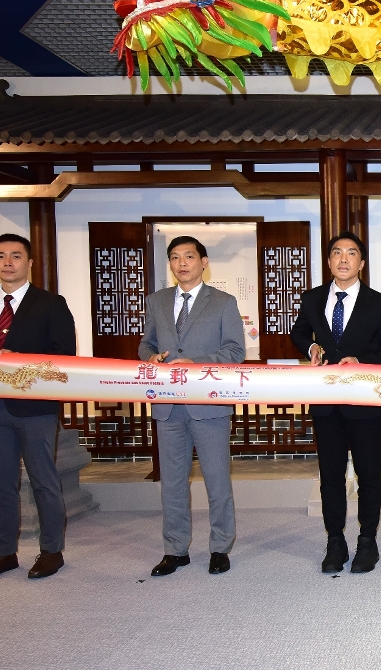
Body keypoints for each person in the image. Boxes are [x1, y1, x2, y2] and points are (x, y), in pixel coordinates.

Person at [0, 234, 77, 582]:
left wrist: (22, 360)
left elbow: (65, 356)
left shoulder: (50, 303)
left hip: (35, 406)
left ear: (29, 262)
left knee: (44, 480)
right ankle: (3, 553)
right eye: (0, 256)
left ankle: (51, 551)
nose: (8, 262)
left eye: (16, 256)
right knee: (0, 484)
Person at [291, 231, 381, 574]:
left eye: (351, 253)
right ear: (328, 261)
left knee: (368, 474)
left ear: (362, 263)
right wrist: (311, 347)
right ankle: (335, 541)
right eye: (337, 253)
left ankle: (367, 541)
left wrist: (361, 361)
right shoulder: (312, 299)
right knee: (330, 476)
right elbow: (298, 333)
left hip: (364, 400)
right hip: (325, 401)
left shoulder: (380, 303)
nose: (343, 258)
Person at [138, 236, 246, 577]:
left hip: (208, 404)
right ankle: (175, 549)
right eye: (174, 257)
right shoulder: (157, 301)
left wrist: (195, 362)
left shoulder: (223, 302)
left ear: (203, 262)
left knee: (217, 480)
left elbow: (235, 352)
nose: (181, 263)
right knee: (172, 482)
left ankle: (220, 547)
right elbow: (146, 344)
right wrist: (151, 357)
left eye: (188, 256)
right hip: (168, 405)